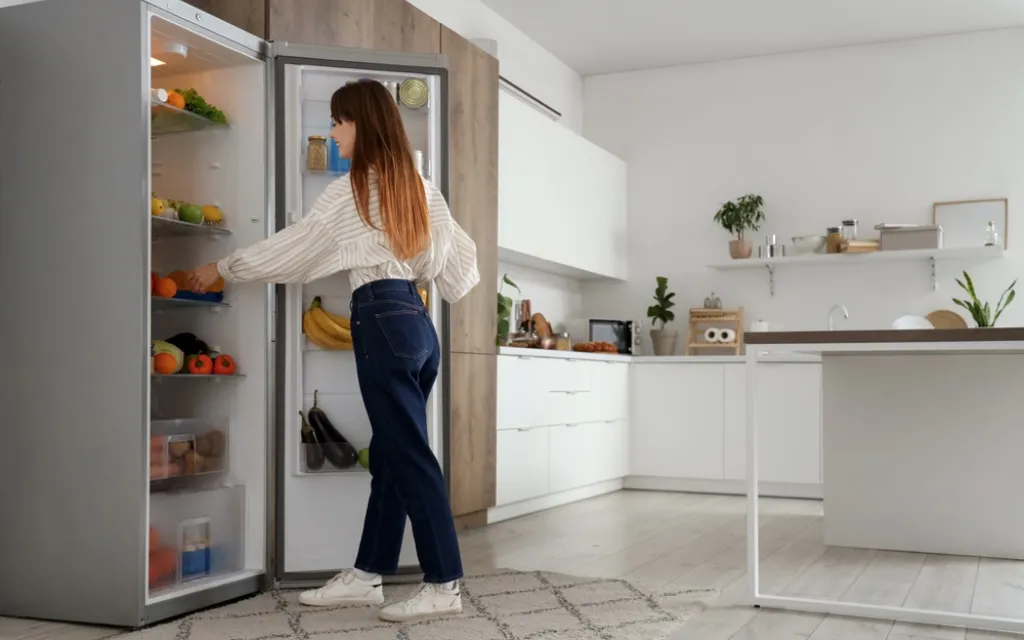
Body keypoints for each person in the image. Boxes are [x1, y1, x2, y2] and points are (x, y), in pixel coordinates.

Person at [186, 79, 478, 623]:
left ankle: (445, 582)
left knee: (409, 456)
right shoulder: (419, 185)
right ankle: (369, 575)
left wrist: (224, 267)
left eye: (339, 121)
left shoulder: (350, 190)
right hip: (418, 321)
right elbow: (463, 262)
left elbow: (294, 250)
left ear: (362, 124)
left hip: (383, 318)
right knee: (392, 457)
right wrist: (417, 277)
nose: (332, 131)